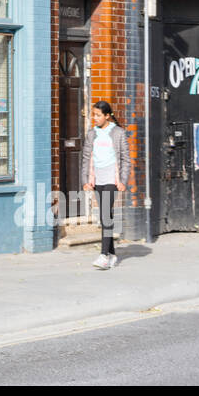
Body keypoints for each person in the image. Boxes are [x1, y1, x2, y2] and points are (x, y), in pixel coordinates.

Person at [81, 100, 130, 271]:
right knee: (104, 216)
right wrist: (85, 180)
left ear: (107, 116)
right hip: (97, 178)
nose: (95, 118)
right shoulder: (91, 134)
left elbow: (125, 159)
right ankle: (112, 254)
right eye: (93, 115)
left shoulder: (118, 133)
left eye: (98, 115)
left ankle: (103, 256)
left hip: (112, 178)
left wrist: (123, 181)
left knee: (104, 214)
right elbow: (86, 157)